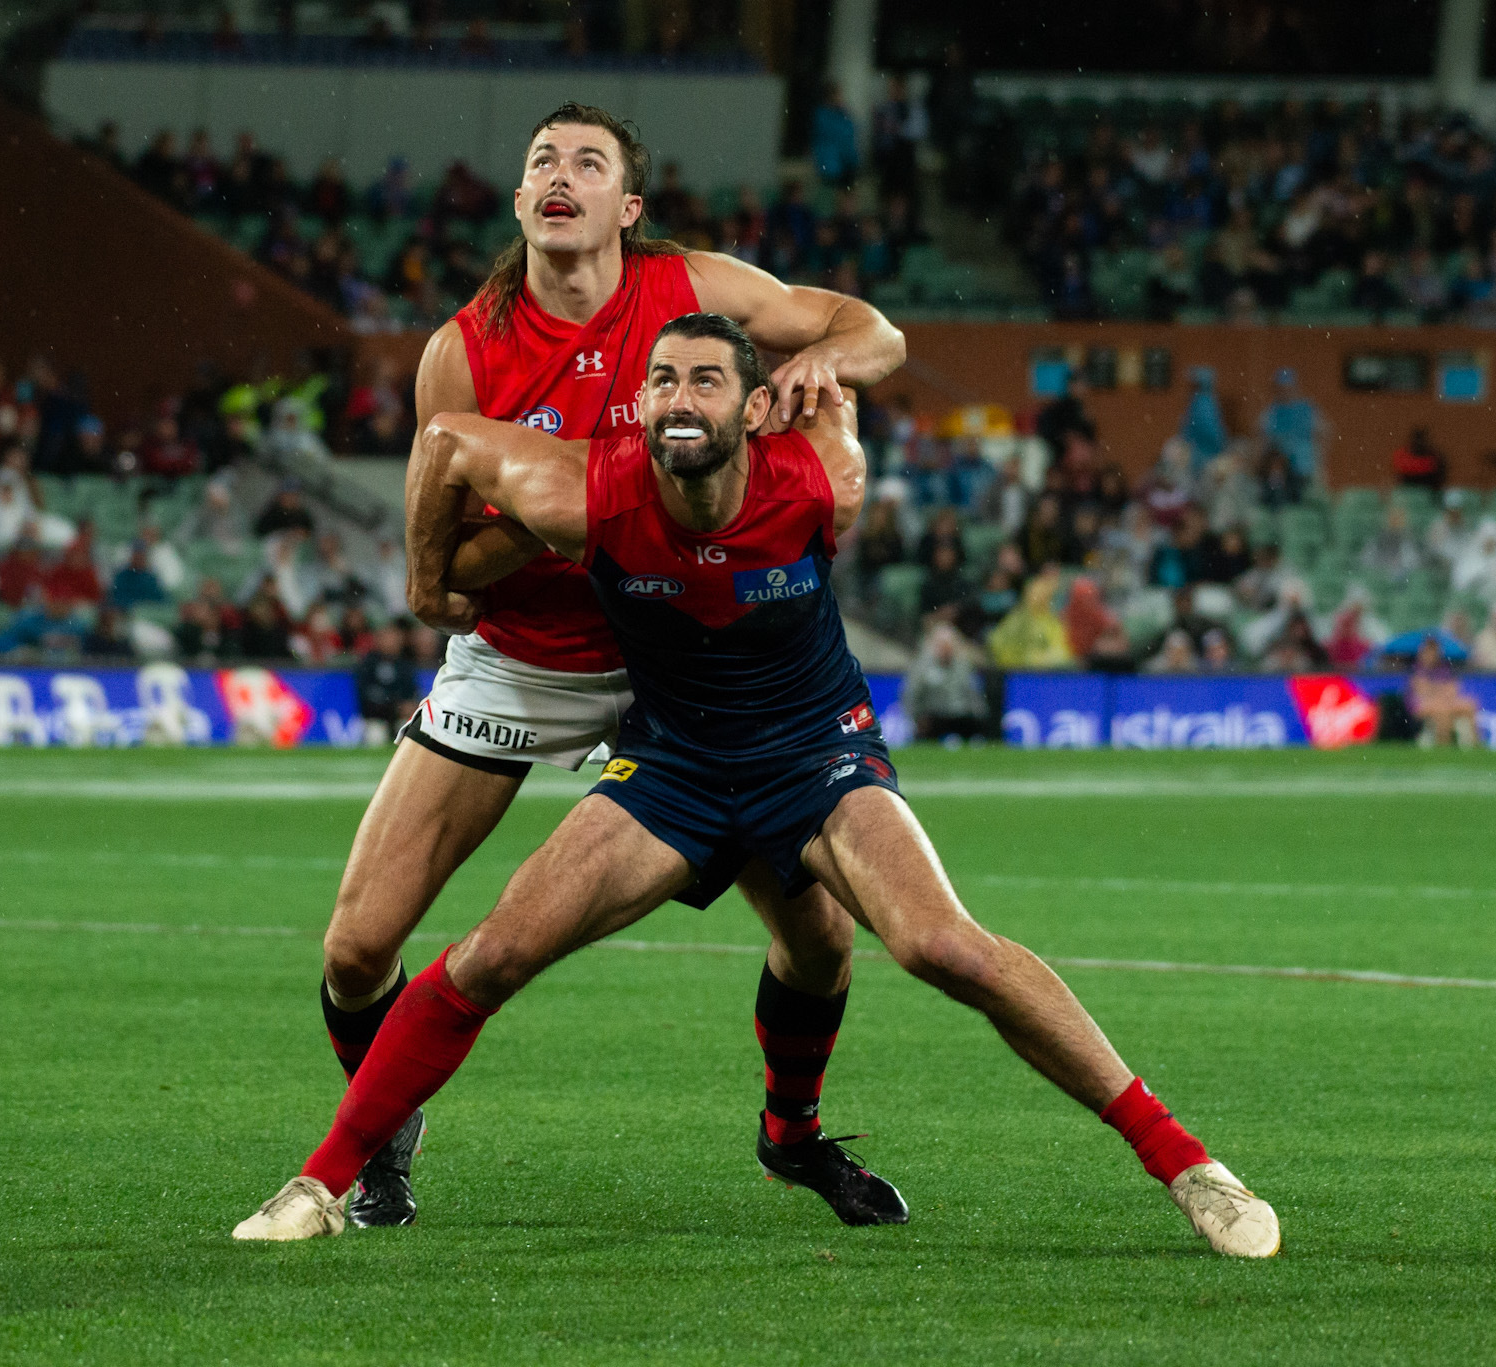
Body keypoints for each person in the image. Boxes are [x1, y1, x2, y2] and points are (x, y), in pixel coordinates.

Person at [237, 313, 1277, 1258]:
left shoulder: (824, 473)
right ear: (638, 403)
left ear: (751, 403)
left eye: (703, 379)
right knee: (494, 951)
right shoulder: (583, 488)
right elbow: (443, 441)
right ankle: (321, 1181)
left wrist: (825, 367)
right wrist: (431, 581)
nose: (679, 397)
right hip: (674, 766)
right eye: (661, 380)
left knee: (936, 943)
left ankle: (1189, 1168)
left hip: (813, 753)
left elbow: (871, 338)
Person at [297, 102, 909, 1229]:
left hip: (677, 658)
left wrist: (812, 359)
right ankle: (380, 1135)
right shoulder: (463, 349)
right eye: (541, 162)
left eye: (587, 161)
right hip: (522, 657)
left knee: (819, 937)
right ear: (523, 202)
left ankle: (792, 1134)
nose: (559, 175)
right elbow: (452, 538)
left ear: (628, 207)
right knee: (354, 946)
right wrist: (558, 515)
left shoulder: (691, 290)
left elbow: (878, 335)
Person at [904, 622, 988, 741]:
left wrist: (980, 716)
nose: (945, 649)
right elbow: (912, 694)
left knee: (971, 725)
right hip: (933, 716)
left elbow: (973, 693)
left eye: (948, 645)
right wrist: (914, 718)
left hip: (960, 716)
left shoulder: (963, 666)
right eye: (942, 645)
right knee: (928, 724)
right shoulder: (922, 667)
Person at [1406, 635, 1482, 747]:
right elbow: (1423, 692)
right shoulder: (1417, 669)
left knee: (1470, 704)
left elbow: (1453, 689)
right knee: (1441, 710)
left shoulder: (1443, 668)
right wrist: (1440, 690)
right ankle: (1444, 745)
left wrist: (1437, 690)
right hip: (1420, 706)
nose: (1431, 654)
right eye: (1429, 651)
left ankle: (1474, 744)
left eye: (1434, 651)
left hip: (1443, 702)